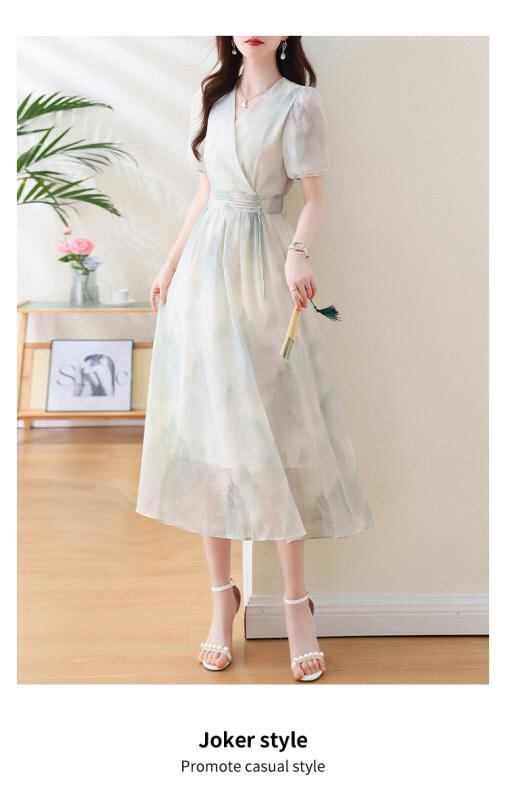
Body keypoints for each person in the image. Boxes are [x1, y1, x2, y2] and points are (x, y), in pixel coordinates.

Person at [136, 36, 373, 682]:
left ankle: (297, 605)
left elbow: (314, 199)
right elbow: (204, 194)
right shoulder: (212, 99)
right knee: (211, 442)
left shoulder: (299, 103)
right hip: (204, 280)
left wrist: (298, 255)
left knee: (281, 437)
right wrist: (169, 264)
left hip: (265, 270)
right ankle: (222, 601)